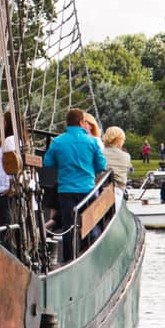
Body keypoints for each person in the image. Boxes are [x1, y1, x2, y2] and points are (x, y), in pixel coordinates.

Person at [43, 108, 107, 262]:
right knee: (88, 223)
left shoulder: (58, 142)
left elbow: (47, 162)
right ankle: (85, 255)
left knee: (68, 226)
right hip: (87, 189)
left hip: (66, 190)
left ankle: (68, 259)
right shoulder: (92, 142)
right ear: (81, 122)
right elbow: (101, 165)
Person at [0, 111, 21, 234]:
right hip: (5, 191)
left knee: (5, 229)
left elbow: (14, 164)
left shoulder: (10, 141)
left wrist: (10, 186)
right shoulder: (17, 140)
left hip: (5, 192)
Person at [101, 126, 132, 191]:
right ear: (119, 140)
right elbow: (128, 170)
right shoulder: (126, 156)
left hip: (103, 189)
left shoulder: (100, 153)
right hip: (119, 190)